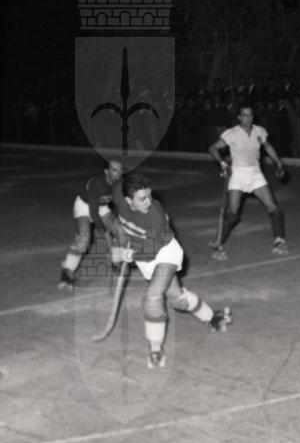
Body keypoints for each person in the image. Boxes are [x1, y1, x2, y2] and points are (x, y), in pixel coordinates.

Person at [104, 172, 232, 369]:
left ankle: (155, 349)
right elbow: (103, 204)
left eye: (149, 196)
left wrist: (127, 255)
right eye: (142, 198)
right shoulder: (117, 192)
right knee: (177, 300)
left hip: (164, 252)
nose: (148, 201)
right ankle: (212, 317)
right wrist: (105, 216)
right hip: (144, 258)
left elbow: (151, 251)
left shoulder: (155, 213)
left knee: (152, 297)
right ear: (127, 199)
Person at [208, 104, 288, 259]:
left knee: (274, 208)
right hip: (238, 173)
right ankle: (219, 244)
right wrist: (223, 163)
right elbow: (212, 148)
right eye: (244, 115)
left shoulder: (259, 131)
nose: (248, 118)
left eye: (250, 115)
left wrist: (278, 163)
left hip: (255, 173)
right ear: (239, 117)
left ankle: (279, 241)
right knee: (232, 213)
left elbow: (267, 146)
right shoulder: (232, 133)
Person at [59, 159, 123, 290]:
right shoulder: (97, 184)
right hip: (85, 206)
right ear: (106, 171)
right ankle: (67, 271)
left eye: (120, 170)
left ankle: (116, 264)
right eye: (114, 170)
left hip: (102, 207)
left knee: (120, 231)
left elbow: (120, 203)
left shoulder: (120, 184)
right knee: (84, 239)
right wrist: (106, 232)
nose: (118, 173)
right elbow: (93, 212)